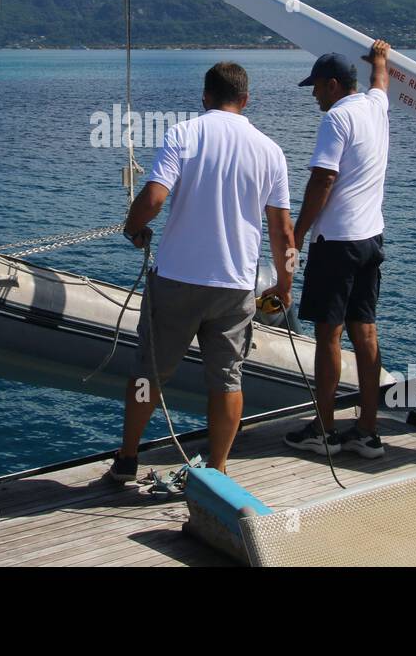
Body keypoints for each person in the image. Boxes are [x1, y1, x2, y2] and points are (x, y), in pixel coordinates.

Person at [108, 62, 295, 481]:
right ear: (246, 100)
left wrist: (132, 227)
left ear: (205, 96)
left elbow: (155, 197)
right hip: (235, 286)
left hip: (176, 278)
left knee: (149, 373)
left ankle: (127, 461)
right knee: (228, 379)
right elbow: (283, 230)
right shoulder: (270, 151)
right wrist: (285, 284)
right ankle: (218, 470)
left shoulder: (183, 134)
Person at [284, 43, 391, 459]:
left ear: (332, 85)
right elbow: (381, 82)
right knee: (364, 330)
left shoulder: (337, 118)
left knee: (328, 334)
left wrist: (297, 231)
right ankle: (367, 430)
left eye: (316, 87)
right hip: (371, 239)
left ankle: (324, 428)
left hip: (336, 243)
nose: (313, 95)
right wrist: (380, 59)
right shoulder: (375, 107)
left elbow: (323, 180)